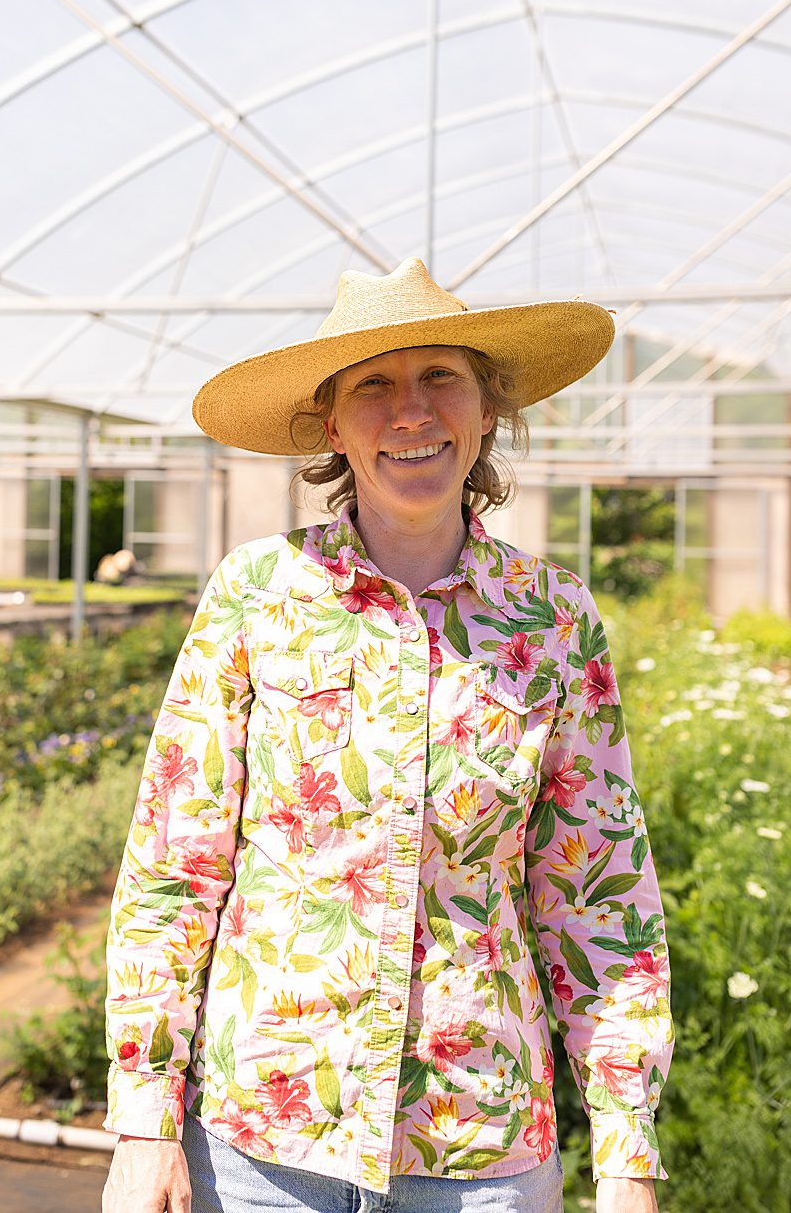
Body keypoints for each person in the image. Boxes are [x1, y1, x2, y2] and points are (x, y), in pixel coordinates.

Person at [102, 257, 674, 1213]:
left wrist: (625, 1154)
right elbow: (174, 866)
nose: (411, 410)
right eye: (374, 384)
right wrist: (142, 1120)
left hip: (479, 1144)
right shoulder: (257, 598)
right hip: (263, 1146)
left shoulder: (553, 618)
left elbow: (598, 896)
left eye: (440, 376)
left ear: (486, 410)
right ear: (331, 424)